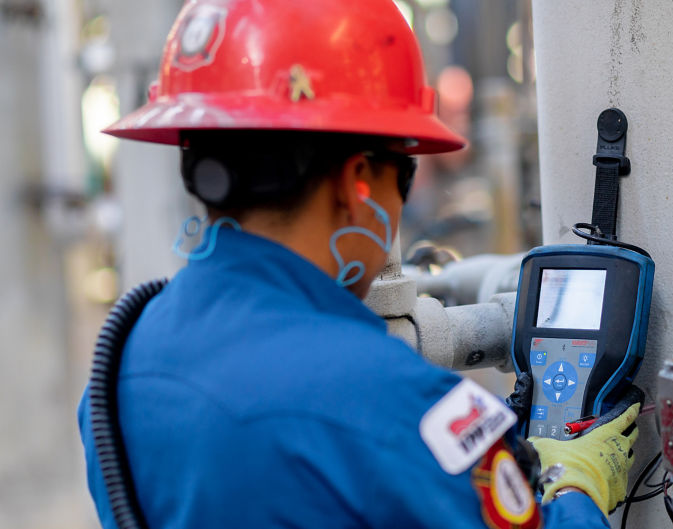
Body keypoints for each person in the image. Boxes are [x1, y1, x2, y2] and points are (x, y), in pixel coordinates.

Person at [77, 1, 641, 528]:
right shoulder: (393, 404)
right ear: (358, 186)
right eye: (405, 174)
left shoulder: (126, 355)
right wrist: (574, 484)